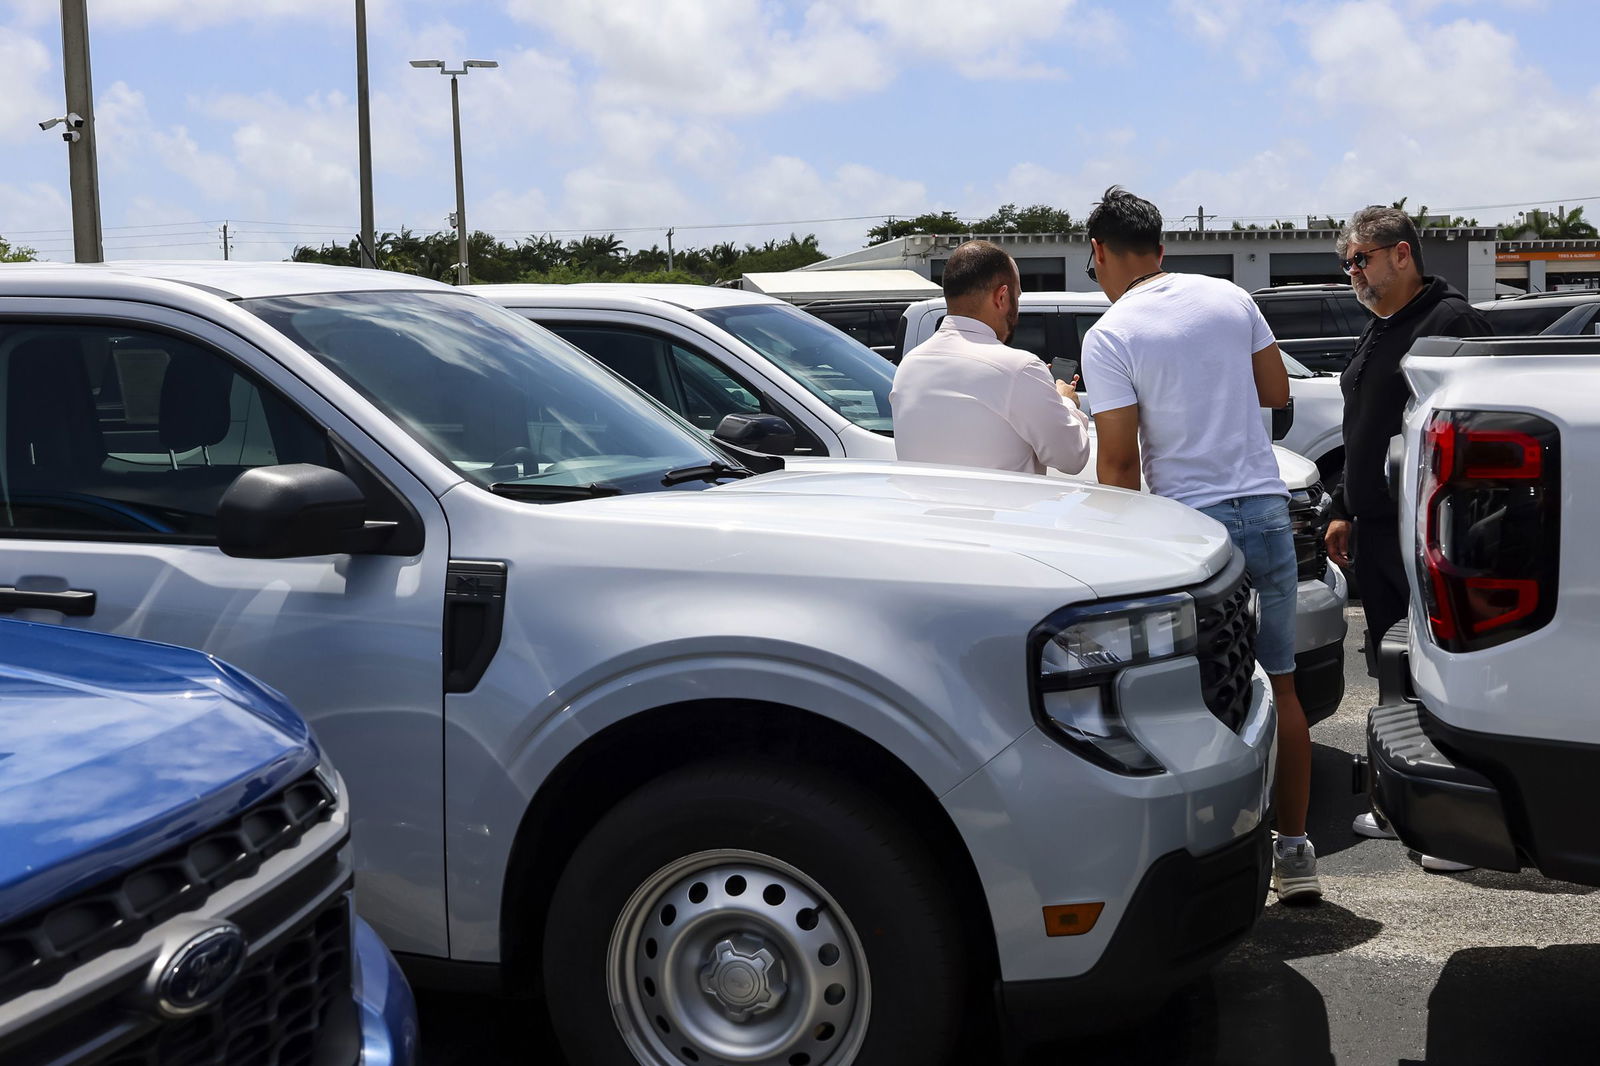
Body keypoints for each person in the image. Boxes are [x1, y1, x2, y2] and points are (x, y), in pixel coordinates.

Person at [1079, 186, 1320, 904]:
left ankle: (1218, 867)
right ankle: (1298, 853)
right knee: (1282, 689)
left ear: (1098, 254)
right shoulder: (1228, 297)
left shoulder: (1112, 334)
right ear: (1160, 245)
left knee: (1205, 706)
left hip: (1193, 538)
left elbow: (1118, 461)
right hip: (1266, 509)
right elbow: (1276, 391)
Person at [1325, 206, 1490, 869]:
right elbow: (1361, 428)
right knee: (1393, 675)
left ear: (1402, 255)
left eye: (1360, 259)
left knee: (1441, 673)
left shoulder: (1450, 323)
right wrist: (1343, 504)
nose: (1352, 273)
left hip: (1431, 534)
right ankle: (1402, 803)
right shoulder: (1381, 328)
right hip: (1374, 528)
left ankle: (1460, 826)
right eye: (1347, 263)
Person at [890, 240, 1091, 475]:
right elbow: (1072, 457)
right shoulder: (1020, 368)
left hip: (923, 511)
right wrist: (1065, 400)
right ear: (1002, 297)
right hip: (1002, 511)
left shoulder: (909, 365)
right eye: (1017, 296)